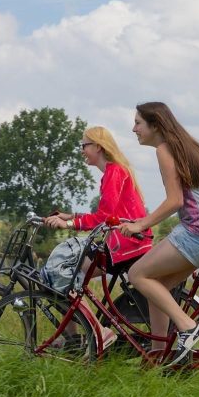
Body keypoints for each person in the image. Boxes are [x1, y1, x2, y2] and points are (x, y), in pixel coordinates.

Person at [119, 102, 199, 364]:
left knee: (137, 274)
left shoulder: (164, 150)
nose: (134, 128)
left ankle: (187, 326)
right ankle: (157, 354)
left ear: (155, 125)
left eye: (138, 123)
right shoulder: (187, 145)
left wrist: (141, 225)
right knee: (157, 285)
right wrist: (142, 220)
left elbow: (175, 201)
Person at [44, 126, 154, 347]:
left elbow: (105, 218)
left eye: (84, 145)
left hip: (123, 245)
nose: (82, 150)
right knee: (67, 275)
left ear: (98, 147)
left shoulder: (114, 172)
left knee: (61, 272)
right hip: (128, 243)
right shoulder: (115, 172)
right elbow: (106, 215)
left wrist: (68, 223)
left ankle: (94, 333)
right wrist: (72, 215)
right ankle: (76, 337)